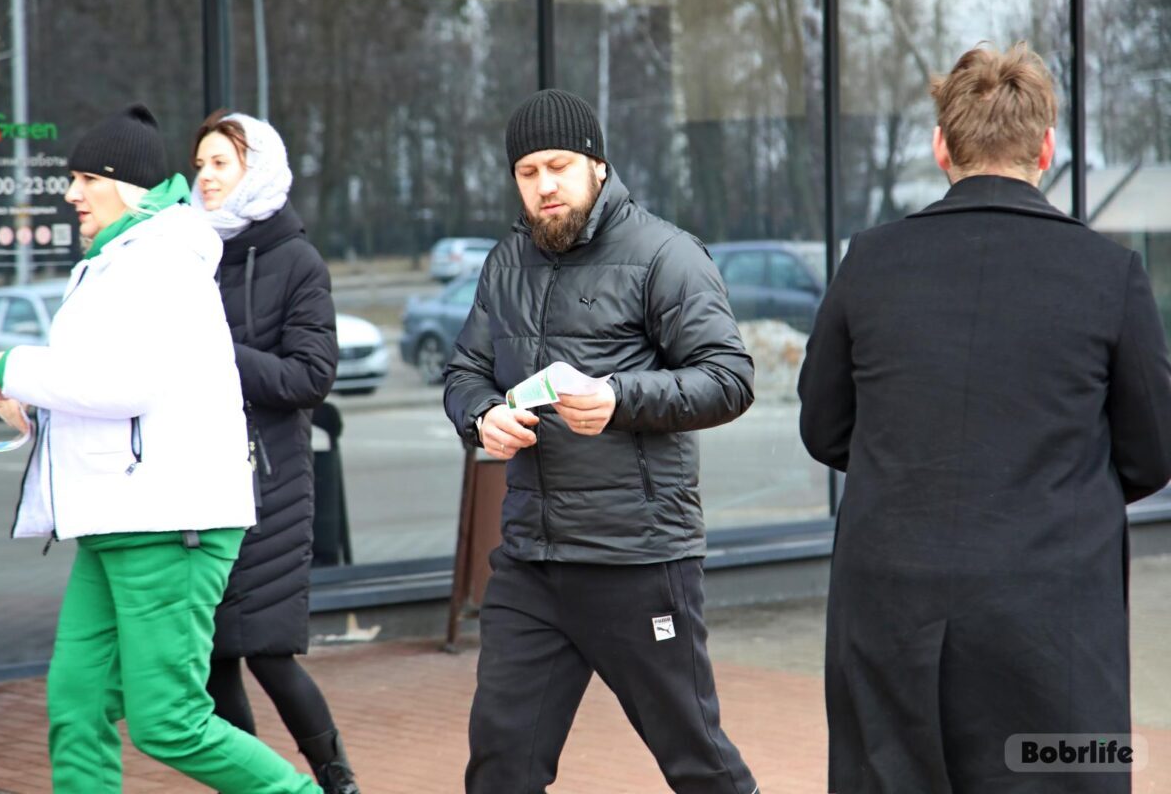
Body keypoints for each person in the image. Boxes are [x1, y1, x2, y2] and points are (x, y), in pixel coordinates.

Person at [798, 43, 1171, 793]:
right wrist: (1066, 494)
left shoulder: (869, 261)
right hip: (1055, 621)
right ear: (1047, 148)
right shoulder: (1110, 273)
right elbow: (1154, 450)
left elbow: (824, 428)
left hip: (891, 614)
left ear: (942, 146)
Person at [0, 104, 320, 793]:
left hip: (167, 523)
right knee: (77, 706)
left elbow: (125, 384)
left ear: (127, 186)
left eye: (86, 179)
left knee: (169, 722)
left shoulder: (158, 261)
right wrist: (38, 399)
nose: (71, 194)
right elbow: (112, 384)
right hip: (118, 519)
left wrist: (8, 367)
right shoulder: (122, 258)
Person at [444, 88, 760, 794]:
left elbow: (729, 378)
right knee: (500, 766)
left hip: (638, 558)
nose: (544, 185)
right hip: (531, 562)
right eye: (527, 172)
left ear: (596, 164)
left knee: (698, 763)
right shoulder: (506, 262)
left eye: (558, 166)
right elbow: (465, 370)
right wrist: (482, 414)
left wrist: (620, 399)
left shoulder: (665, 254)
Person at [190, 110, 356, 794]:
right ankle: (254, 784)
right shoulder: (189, 254)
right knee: (214, 658)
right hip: (195, 480)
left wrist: (219, 353)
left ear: (256, 170)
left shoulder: (297, 261)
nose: (205, 178)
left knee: (267, 653)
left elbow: (309, 378)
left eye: (220, 164)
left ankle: (337, 782)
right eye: (199, 165)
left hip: (269, 484)